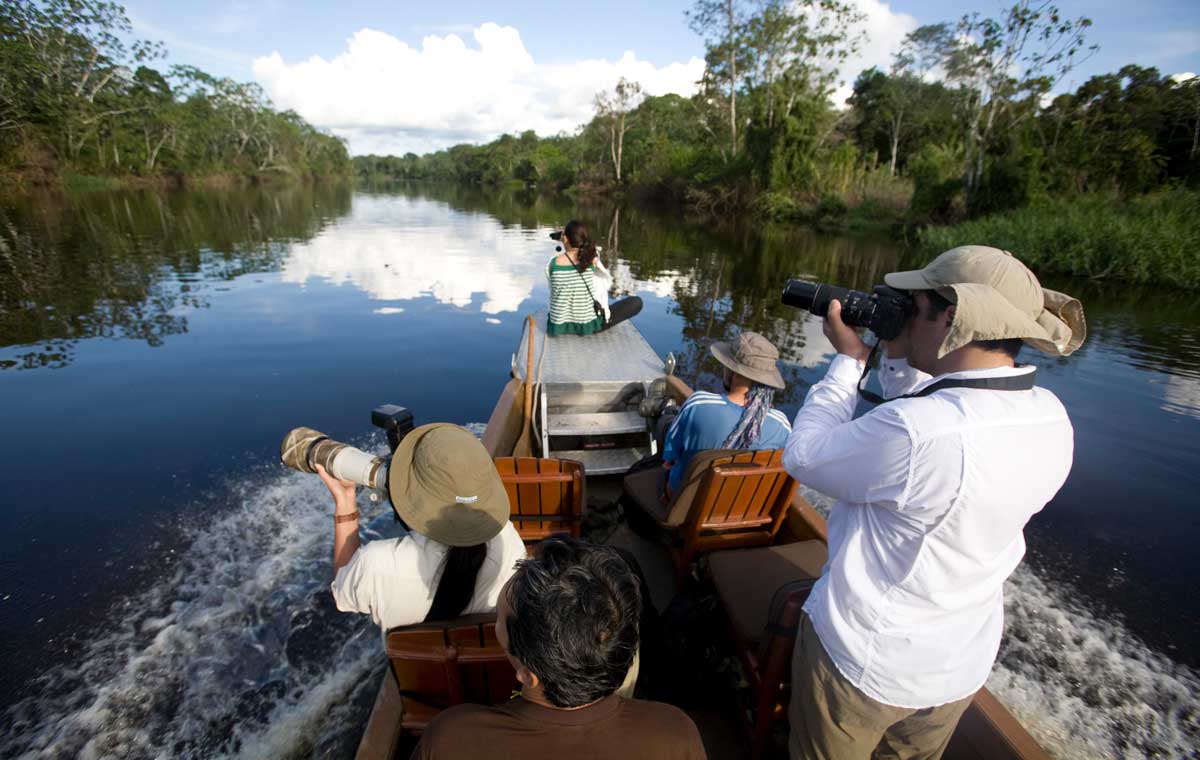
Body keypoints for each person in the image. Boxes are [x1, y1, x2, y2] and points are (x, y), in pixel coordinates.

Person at [781, 246, 1086, 760]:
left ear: (950, 316)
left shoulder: (917, 432)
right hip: (956, 667)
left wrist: (848, 362)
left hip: (865, 663)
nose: (903, 315)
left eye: (914, 305)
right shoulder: (1051, 416)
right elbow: (936, 410)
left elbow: (804, 456)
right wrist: (900, 358)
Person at [412, 535, 707, 760]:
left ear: (528, 675)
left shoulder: (451, 738)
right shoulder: (675, 733)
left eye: (498, 621)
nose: (495, 626)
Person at [316, 423, 526, 632]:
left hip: (409, 655)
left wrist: (345, 501)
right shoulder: (509, 544)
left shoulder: (375, 564)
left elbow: (342, 591)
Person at [661, 331, 791, 499]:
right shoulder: (782, 426)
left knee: (664, 423)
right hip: (738, 508)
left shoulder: (698, 404)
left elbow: (670, 458)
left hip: (682, 503)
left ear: (732, 371)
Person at [547, 219, 642, 336]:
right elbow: (605, 282)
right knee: (636, 302)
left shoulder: (553, 263)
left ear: (565, 239)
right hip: (587, 326)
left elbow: (553, 291)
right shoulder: (591, 260)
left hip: (557, 325)